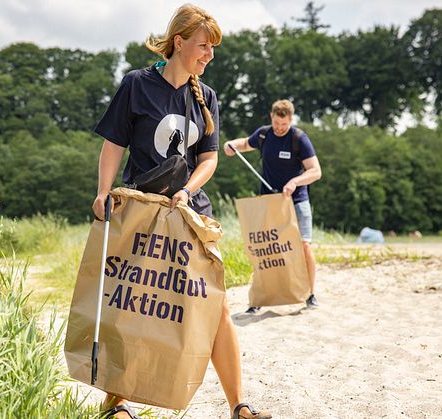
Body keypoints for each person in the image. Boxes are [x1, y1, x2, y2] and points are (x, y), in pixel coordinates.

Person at [91, 4, 271, 419]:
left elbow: (208, 159)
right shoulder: (137, 84)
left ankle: (238, 405)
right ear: (179, 42)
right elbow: (113, 145)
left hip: (191, 211)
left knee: (215, 306)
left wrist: (188, 191)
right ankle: (115, 405)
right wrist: (103, 193)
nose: (210, 55)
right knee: (134, 301)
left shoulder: (206, 96)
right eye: (204, 46)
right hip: (142, 209)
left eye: (213, 49)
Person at [223, 99, 322, 314]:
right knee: (265, 249)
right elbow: (243, 144)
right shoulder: (263, 135)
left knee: (304, 247)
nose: (279, 128)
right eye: (277, 123)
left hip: (296, 201)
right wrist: (230, 145)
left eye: (284, 124)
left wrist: (295, 182)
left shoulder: (299, 139)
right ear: (271, 117)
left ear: (291, 120)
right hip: (269, 202)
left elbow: (315, 171)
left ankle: (311, 294)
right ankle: (260, 298)